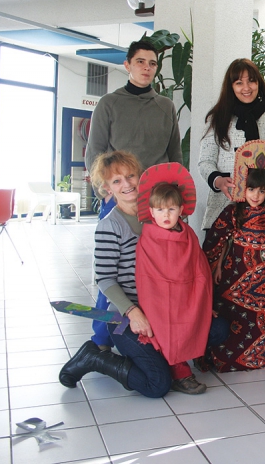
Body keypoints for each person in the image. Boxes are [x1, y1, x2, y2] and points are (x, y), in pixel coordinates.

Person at [58, 152, 222, 397]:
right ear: (107, 189)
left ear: (141, 177)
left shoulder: (160, 213)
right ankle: (95, 358)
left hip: (167, 310)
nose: (126, 184)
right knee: (157, 385)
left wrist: (197, 302)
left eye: (130, 176)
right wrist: (132, 313)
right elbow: (104, 279)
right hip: (129, 316)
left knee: (218, 329)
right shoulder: (110, 226)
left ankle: (166, 356)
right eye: (116, 181)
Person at [85, 40, 183, 351]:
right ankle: (101, 340)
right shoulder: (109, 104)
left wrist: (172, 202)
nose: (146, 68)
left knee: (152, 271)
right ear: (128, 65)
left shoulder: (165, 107)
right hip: (119, 199)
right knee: (113, 271)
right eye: (140, 62)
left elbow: (175, 158)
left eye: (152, 63)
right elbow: (94, 155)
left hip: (156, 206)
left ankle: (146, 337)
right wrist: (110, 193)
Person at [201, 141, 265, 371]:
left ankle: (262, 356)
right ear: (242, 188)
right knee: (231, 316)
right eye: (251, 189)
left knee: (262, 317)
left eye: (262, 190)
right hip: (231, 278)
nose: (256, 195)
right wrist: (216, 267)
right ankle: (227, 357)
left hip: (263, 279)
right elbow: (218, 241)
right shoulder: (232, 212)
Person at [134, 163, 223, 394]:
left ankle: (181, 362)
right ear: (151, 211)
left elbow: (200, 270)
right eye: (160, 210)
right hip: (159, 302)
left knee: (213, 326)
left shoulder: (188, 235)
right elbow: (147, 278)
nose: (166, 215)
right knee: (166, 327)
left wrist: (202, 303)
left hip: (187, 298)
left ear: (181, 210)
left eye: (171, 209)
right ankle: (179, 370)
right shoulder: (148, 239)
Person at [199, 58, 265, 231]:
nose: (246, 88)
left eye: (251, 80)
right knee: (220, 257)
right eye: (238, 82)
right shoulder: (217, 118)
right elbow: (205, 160)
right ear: (231, 87)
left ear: (259, 83)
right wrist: (218, 180)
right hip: (225, 204)